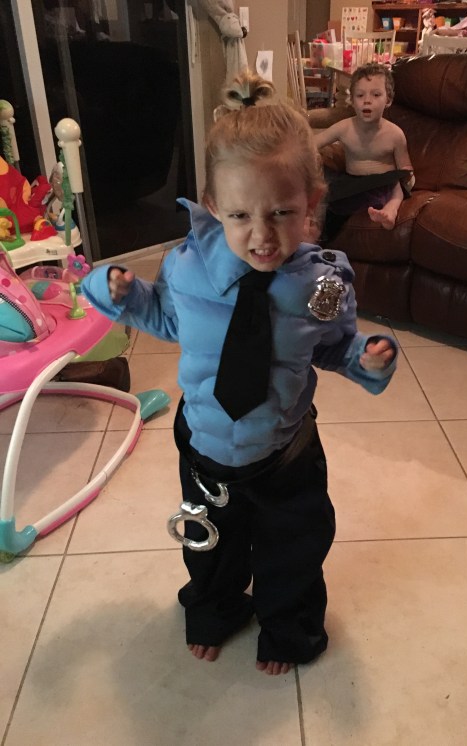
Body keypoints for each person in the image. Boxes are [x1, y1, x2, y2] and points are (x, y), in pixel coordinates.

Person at [81, 70, 398, 676]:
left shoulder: (324, 284)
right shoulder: (188, 269)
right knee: (210, 546)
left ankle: (287, 630)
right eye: (240, 215)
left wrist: (364, 358)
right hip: (206, 447)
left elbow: (333, 347)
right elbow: (166, 319)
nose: (262, 235)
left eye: (282, 212)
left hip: (285, 453)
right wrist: (119, 293)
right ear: (212, 207)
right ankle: (214, 611)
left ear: (312, 201)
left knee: (294, 550)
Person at [314, 62, 413, 237]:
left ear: (388, 100)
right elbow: (312, 144)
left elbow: (405, 166)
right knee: (330, 198)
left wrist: (409, 178)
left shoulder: (395, 134)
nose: (367, 100)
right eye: (360, 95)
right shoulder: (344, 128)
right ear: (352, 100)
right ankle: (320, 234)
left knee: (397, 184)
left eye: (376, 94)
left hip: (383, 183)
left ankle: (390, 211)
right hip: (354, 184)